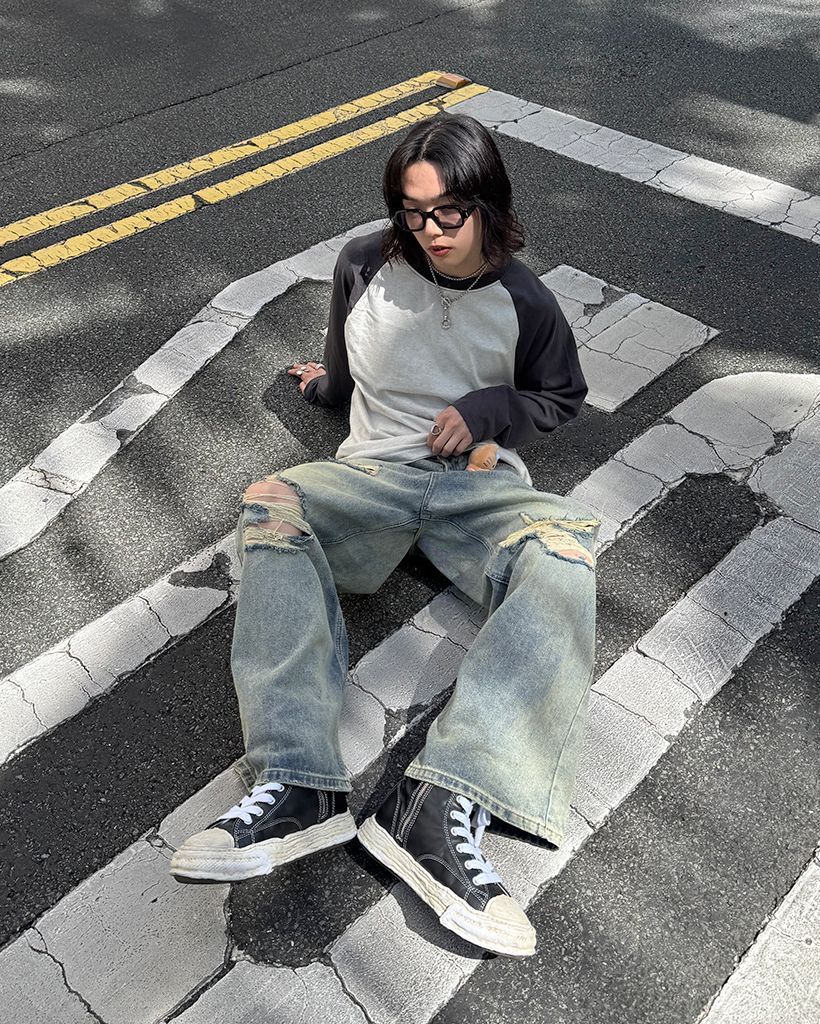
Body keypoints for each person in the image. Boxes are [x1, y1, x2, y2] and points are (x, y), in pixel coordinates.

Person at [170, 113, 598, 959]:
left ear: (488, 205)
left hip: (477, 485)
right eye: (412, 211)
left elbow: (561, 397)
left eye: (449, 212)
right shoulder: (364, 263)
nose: (430, 230)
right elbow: (345, 360)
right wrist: (323, 387)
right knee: (272, 505)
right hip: (370, 476)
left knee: (564, 556)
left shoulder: (528, 302)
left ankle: (440, 807)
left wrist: (493, 408)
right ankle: (298, 784)